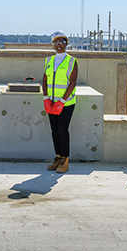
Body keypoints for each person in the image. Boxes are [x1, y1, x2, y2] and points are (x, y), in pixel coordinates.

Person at [41, 31, 79, 173]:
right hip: (51, 102)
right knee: (55, 131)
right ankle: (58, 157)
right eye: (56, 41)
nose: (59, 44)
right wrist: (46, 98)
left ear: (66, 44)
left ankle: (65, 160)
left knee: (62, 130)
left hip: (66, 103)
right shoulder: (49, 61)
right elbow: (44, 80)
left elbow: (73, 82)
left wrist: (62, 101)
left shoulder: (71, 61)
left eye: (62, 41)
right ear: (52, 44)